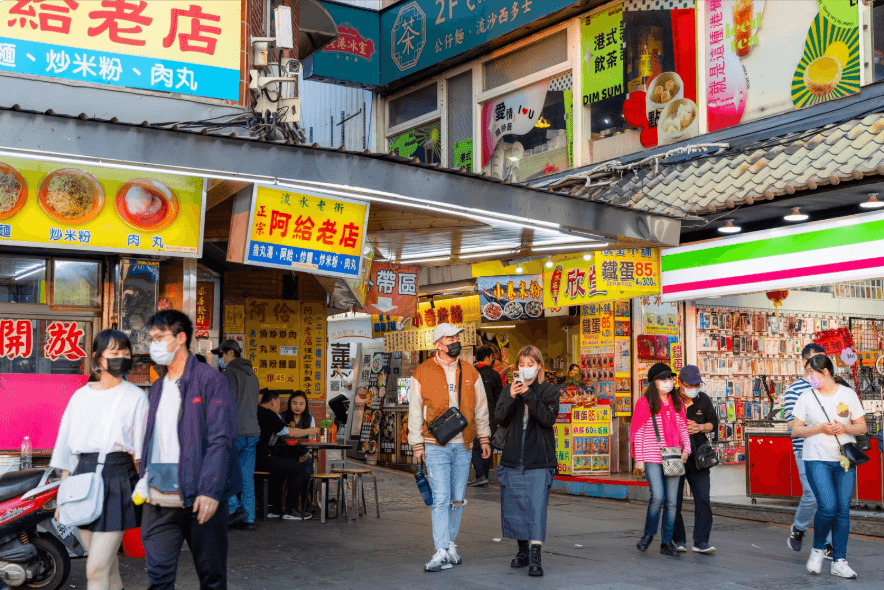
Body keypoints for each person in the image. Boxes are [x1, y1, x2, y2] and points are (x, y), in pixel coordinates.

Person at [140, 310, 239, 590]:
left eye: (159, 337)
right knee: (158, 577)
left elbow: (221, 438)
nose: (153, 344)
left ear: (180, 338)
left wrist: (210, 490)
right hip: (160, 496)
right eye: (151, 339)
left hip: (200, 496)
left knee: (211, 577)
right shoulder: (158, 387)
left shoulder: (211, 381)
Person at [51, 330, 148, 590]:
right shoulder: (80, 397)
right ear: (98, 360)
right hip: (81, 479)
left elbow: (143, 453)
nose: (122, 358)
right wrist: (63, 494)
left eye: (126, 353)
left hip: (118, 479)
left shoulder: (137, 397)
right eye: (114, 353)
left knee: (94, 568)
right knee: (107, 567)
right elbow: (66, 448)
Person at [408, 323, 491, 572]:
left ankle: (451, 544)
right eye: (450, 337)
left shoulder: (471, 372)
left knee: (457, 499)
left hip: (464, 444)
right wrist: (416, 444)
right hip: (435, 445)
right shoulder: (421, 372)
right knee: (441, 498)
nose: (455, 340)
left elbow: (481, 408)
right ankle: (441, 549)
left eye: (456, 336)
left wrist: (484, 438)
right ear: (438, 344)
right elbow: (414, 410)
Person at [791, 354, 867, 579]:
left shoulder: (848, 394)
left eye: (810, 373)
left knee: (843, 511)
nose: (807, 377)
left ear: (825, 373)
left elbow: (861, 427)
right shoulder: (806, 397)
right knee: (827, 506)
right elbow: (796, 430)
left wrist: (844, 429)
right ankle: (817, 549)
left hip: (843, 460)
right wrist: (820, 429)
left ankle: (839, 561)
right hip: (816, 458)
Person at [494, 345, 560, 577]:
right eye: (521, 365)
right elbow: (499, 418)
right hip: (512, 458)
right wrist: (512, 397)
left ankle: (535, 555)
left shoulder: (549, 391)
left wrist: (528, 394)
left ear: (539, 367)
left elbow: (547, 419)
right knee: (515, 506)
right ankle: (522, 550)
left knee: (536, 508)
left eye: (530, 365)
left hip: (539, 460)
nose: (525, 369)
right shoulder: (507, 390)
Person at [630, 363, 691, 557]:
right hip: (651, 456)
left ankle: (666, 542)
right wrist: (639, 460)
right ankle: (648, 534)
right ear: (654, 382)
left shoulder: (677, 403)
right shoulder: (644, 403)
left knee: (672, 502)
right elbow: (638, 433)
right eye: (664, 379)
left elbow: (683, 428)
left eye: (670, 379)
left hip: (673, 456)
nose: (668, 383)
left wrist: (687, 449)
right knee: (657, 496)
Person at [784, 343, 833, 557]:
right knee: (812, 494)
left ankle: (829, 544)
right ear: (805, 363)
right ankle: (799, 528)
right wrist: (819, 427)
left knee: (828, 497)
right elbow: (792, 426)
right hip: (804, 450)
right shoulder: (794, 390)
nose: (821, 365)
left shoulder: (831, 386)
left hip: (830, 449)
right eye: (816, 360)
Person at [213, 339, 260, 531]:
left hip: (235, 432)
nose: (221, 359)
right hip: (252, 431)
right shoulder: (252, 375)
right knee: (247, 477)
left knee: (224, 473)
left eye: (222, 354)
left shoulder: (231, 371)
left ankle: (233, 511)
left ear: (231, 353)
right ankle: (248, 517)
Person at [672, 365, 719, 554]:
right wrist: (681, 426)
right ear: (680, 384)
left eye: (697, 384)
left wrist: (700, 427)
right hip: (676, 454)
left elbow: (714, 424)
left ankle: (701, 542)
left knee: (703, 498)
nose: (694, 387)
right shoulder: (670, 400)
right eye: (690, 384)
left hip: (699, 455)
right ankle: (678, 540)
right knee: (674, 500)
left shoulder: (703, 399)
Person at [256, 389, 316, 520]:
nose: (298, 406)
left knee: (288, 466)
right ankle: (290, 509)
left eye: (301, 404)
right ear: (273, 402)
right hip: (263, 458)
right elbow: (289, 433)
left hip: (253, 457)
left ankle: (275, 509)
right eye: (278, 403)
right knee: (297, 469)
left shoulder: (255, 412)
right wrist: (311, 430)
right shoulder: (270, 415)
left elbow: (271, 441)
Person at [468, 346, 503, 487]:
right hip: (490, 415)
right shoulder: (494, 375)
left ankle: (480, 476)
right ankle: (484, 476)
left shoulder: (470, 373)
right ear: (488, 358)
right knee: (487, 444)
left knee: (473, 446)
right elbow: (500, 398)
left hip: (472, 414)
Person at [281, 390, 317, 510]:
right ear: (289, 403)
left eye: (301, 404)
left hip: (303, 455)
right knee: (291, 466)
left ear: (306, 405)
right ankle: (291, 505)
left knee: (307, 468)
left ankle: (307, 502)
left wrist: (308, 455)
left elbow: (313, 441)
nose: (297, 407)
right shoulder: (281, 417)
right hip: (286, 455)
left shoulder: (310, 419)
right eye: (295, 403)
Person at [328, 357, 355, 428]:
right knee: (338, 415)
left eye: (351, 359)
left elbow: (348, 382)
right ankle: (342, 420)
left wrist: (340, 373)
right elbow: (347, 384)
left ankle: (344, 420)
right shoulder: (353, 371)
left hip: (348, 395)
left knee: (331, 402)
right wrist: (348, 384)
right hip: (346, 393)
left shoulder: (356, 371)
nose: (349, 361)